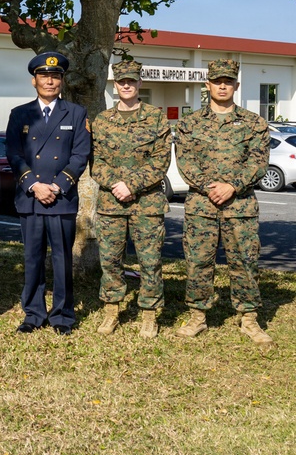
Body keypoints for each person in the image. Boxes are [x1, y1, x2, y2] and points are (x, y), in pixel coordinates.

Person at [174, 59, 272, 345]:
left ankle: (249, 318)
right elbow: (185, 162)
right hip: (201, 207)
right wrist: (210, 187)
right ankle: (197, 317)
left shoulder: (254, 123)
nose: (222, 86)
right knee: (198, 262)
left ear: (236, 86)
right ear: (208, 85)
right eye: (217, 81)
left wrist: (232, 186)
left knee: (245, 262)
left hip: (240, 207)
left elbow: (259, 162)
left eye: (228, 81)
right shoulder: (190, 123)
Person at [6, 51, 90, 335]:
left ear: (62, 81)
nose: (50, 82)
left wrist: (57, 185)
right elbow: (14, 154)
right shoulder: (20, 113)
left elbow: (80, 155)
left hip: (61, 198)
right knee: (32, 258)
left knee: (62, 259)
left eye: (55, 77)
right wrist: (34, 184)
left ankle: (63, 315)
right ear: (34, 81)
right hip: (31, 197)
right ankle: (33, 313)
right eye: (44, 76)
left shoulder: (76, 113)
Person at [91, 59, 171, 338]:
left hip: (146, 204)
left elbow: (161, 160)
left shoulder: (156, 117)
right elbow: (96, 161)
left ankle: (149, 314)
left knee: (150, 261)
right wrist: (117, 185)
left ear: (139, 83)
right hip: (111, 203)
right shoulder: (102, 120)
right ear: (115, 85)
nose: (126, 85)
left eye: (131, 81)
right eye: (122, 81)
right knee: (110, 260)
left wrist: (132, 185)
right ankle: (111, 311)